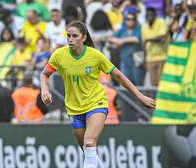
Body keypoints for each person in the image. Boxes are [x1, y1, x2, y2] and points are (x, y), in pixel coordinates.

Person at [40, 20, 156, 168]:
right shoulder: (59, 55)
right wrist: (45, 89)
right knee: (88, 151)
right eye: (68, 35)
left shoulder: (95, 56)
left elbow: (119, 76)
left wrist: (140, 96)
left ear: (83, 37)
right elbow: (44, 74)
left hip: (96, 103)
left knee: (89, 142)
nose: (70, 39)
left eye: (74, 36)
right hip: (74, 108)